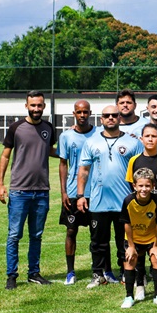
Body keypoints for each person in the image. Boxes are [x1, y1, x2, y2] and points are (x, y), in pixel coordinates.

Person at [77, 105, 143, 289]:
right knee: (98, 242)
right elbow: (83, 170)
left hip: (124, 201)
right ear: (101, 119)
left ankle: (126, 272)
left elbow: (138, 172)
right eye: (107, 116)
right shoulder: (91, 142)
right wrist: (81, 195)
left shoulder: (133, 142)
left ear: (120, 118)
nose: (111, 118)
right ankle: (98, 274)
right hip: (98, 202)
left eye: (115, 115)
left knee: (125, 241)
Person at [0, 90, 57, 289]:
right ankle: (11, 276)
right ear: (26, 106)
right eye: (32, 105)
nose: (36, 109)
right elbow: (5, 156)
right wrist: (0, 184)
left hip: (42, 191)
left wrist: (71, 152)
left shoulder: (49, 127)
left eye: (39, 105)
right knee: (14, 235)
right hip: (19, 191)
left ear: (44, 106)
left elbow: (50, 151)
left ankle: (34, 273)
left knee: (37, 235)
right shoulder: (16, 128)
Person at [57, 99, 97, 285]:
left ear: (90, 113)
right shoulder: (66, 136)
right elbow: (63, 164)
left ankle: (101, 270)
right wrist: (63, 191)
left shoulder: (98, 133)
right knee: (71, 231)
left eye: (85, 112)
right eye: (79, 112)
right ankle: (70, 272)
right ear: (74, 113)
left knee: (98, 233)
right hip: (73, 192)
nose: (82, 115)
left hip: (95, 191)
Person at [119, 168, 157, 308]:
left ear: (152, 186)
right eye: (140, 185)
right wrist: (131, 246)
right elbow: (126, 224)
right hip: (134, 238)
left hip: (152, 238)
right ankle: (129, 297)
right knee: (130, 259)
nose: (144, 189)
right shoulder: (128, 201)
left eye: (147, 185)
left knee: (156, 258)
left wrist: (156, 246)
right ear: (134, 186)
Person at [125, 124, 157, 196]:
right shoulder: (133, 160)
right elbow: (131, 184)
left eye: (153, 136)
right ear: (141, 139)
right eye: (147, 136)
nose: (150, 139)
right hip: (142, 204)